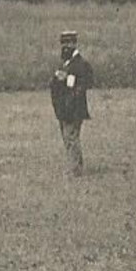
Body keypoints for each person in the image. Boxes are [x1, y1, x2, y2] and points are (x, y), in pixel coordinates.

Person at [50, 30, 95, 176]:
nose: (65, 46)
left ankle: (75, 169)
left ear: (74, 44)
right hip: (65, 107)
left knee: (71, 138)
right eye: (63, 43)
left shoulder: (79, 64)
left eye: (68, 43)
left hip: (73, 108)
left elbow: (82, 85)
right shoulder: (67, 63)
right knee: (69, 137)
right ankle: (76, 166)